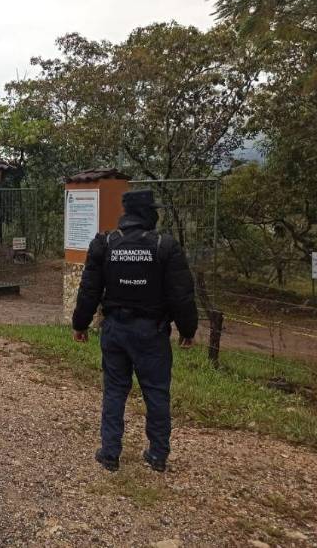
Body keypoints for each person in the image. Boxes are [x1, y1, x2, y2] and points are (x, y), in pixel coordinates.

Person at [72, 189, 197, 473]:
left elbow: (89, 290)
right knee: (156, 392)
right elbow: (181, 294)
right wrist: (188, 329)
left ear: (127, 214)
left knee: (115, 390)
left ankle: (110, 453)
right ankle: (157, 455)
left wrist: (80, 324)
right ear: (148, 213)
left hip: (115, 329)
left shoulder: (105, 243)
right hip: (152, 332)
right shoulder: (165, 246)